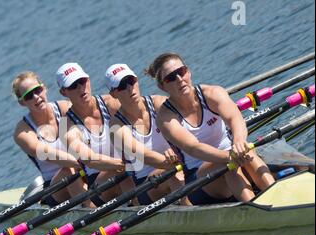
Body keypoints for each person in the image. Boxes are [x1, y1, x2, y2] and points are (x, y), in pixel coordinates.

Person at [145, 52, 275, 204]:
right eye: (171, 78)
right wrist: (229, 156)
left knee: (248, 150)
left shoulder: (213, 93)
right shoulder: (165, 117)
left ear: (188, 71)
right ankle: (257, 208)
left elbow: (235, 119)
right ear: (162, 86)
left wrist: (239, 143)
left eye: (181, 71)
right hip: (199, 180)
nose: (180, 79)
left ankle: (275, 195)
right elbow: (193, 147)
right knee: (227, 164)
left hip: (234, 154)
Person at [105, 63, 190, 205]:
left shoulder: (159, 103)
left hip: (177, 165)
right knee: (173, 174)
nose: (129, 88)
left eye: (131, 81)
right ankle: (189, 213)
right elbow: (145, 155)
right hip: (146, 184)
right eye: (121, 86)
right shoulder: (116, 126)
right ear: (113, 94)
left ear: (137, 81)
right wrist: (179, 159)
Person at [56, 63, 131, 206]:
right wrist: (126, 164)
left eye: (82, 82)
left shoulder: (111, 104)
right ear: (63, 93)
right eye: (73, 86)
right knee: (123, 172)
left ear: (88, 81)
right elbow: (90, 160)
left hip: (131, 167)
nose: (80, 88)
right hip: (99, 185)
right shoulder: (66, 126)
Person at [12, 71, 89, 207]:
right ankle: (91, 209)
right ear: (22, 103)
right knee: (68, 169)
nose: (36, 97)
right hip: (56, 188)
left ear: (44, 88)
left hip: (86, 169)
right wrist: (93, 162)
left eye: (38, 90)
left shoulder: (65, 108)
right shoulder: (23, 131)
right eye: (29, 96)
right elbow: (49, 154)